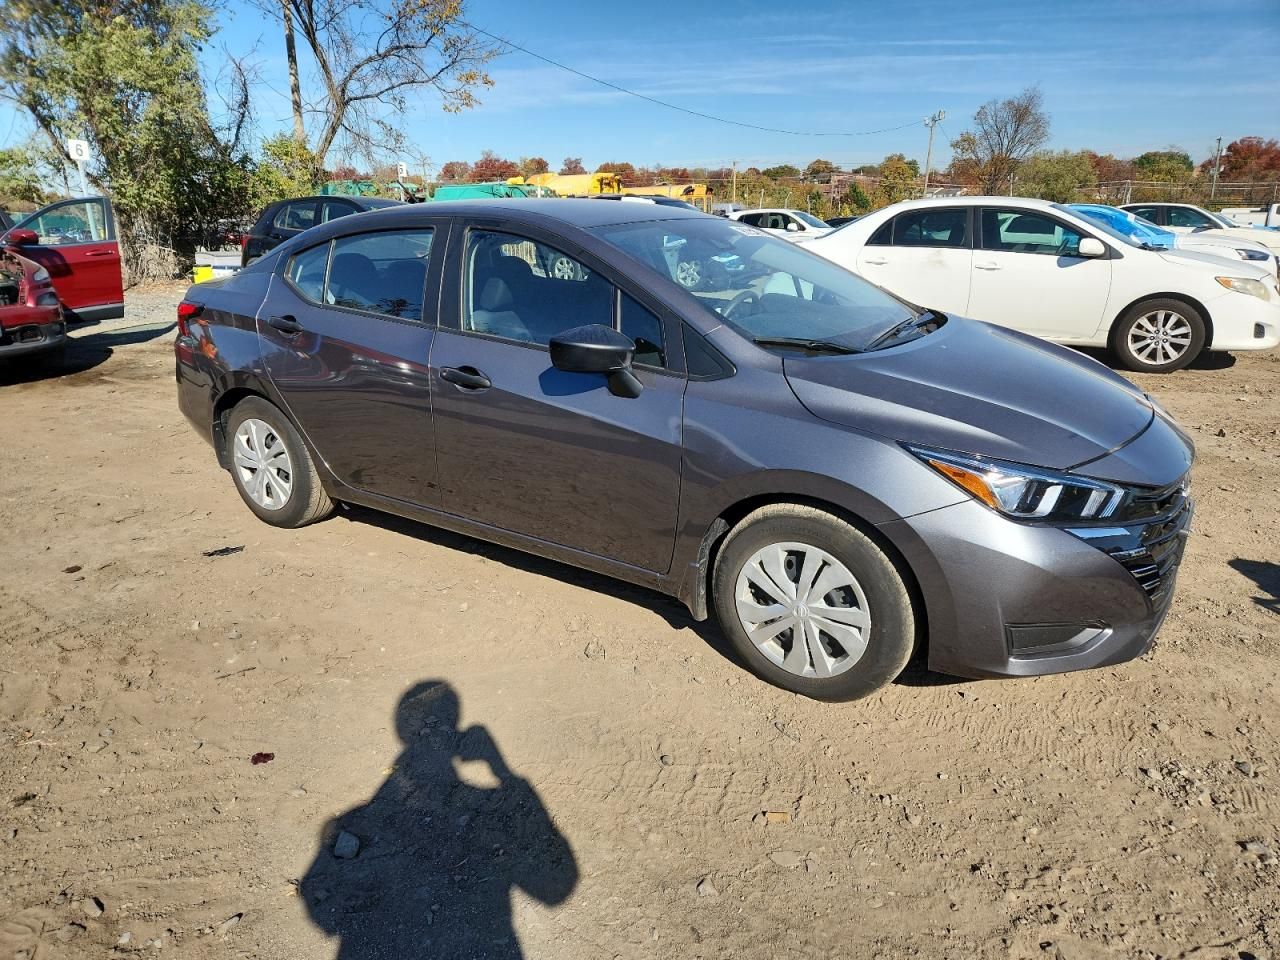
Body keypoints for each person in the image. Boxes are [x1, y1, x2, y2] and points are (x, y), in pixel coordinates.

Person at [302, 681, 577, 959]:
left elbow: (318, 904)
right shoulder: (372, 812)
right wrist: (500, 769)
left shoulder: (361, 815)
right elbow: (556, 888)